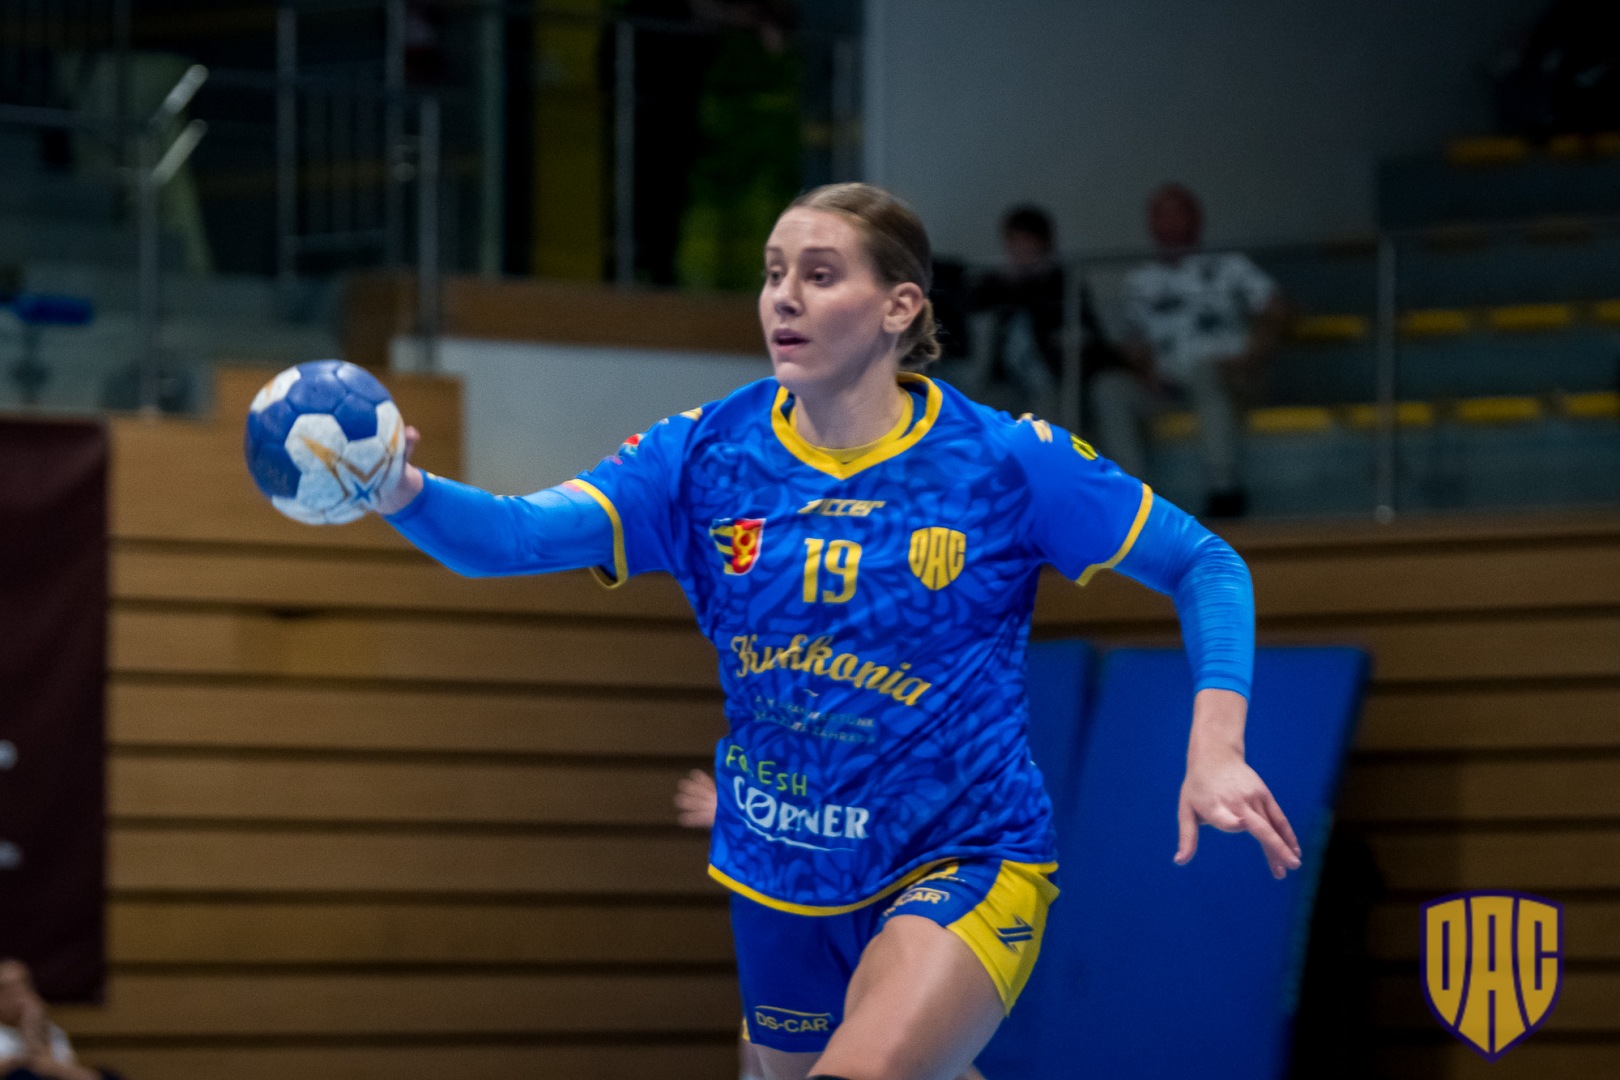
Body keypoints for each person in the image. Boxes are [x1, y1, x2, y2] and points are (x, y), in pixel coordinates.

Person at [372, 182, 1300, 1080]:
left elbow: (1205, 562)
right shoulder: (701, 455)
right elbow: (512, 537)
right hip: (781, 872)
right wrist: (400, 490)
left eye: (820, 274)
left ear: (900, 306)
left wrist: (1216, 748)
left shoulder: (1003, 461)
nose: (784, 296)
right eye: (774, 272)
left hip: (962, 852)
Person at [1091, 183, 1287, 519]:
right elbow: (1128, 342)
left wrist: (1252, 356)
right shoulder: (1140, 281)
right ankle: (1133, 502)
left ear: (1195, 219)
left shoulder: (1229, 265)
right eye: (1159, 216)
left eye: (1175, 214)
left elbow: (1278, 309)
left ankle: (1224, 489)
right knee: (1108, 388)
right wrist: (1143, 369)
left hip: (1226, 378)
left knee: (1203, 371)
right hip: (1167, 384)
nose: (1167, 223)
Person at [962, 205, 1122, 418]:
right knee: (981, 410)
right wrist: (1008, 281)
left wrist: (1027, 280)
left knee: (1047, 416)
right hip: (1006, 381)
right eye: (1013, 243)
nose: (1019, 251)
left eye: (1026, 242)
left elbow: (1091, 336)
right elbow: (972, 301)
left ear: (1044, 244)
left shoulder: (1063, 282)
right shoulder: (1001, 282)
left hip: (1051, 378)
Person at [0, 960, 102, 1080]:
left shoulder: (52, 1032)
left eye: (21, 986)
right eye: (7, 989)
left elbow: (86, 1077)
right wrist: (19, 1063)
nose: (16, 995)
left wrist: (32, 1029)